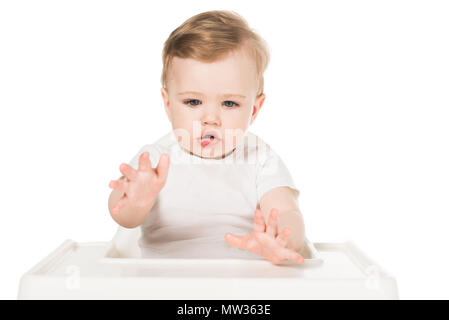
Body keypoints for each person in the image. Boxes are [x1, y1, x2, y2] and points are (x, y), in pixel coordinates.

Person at [108, 10, 305, 265]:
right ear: (168, 104)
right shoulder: (154, 161)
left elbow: (288, 212)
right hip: (163, 282)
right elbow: (122, 215)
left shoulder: (260, 159)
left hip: (244, 284)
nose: (210, 118)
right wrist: (136, 200)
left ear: (253, 110)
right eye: (193, 101)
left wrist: (281, 240)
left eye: (229, 103)